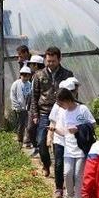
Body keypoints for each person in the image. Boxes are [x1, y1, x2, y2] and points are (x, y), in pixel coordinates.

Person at [50, 88, 94, 198]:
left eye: (61, 103)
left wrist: (78, 128)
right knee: (67, 173)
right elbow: (64, 131)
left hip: (81, 147)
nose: (61, 106)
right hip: (68, 148)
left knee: (78, 175)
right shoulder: (64, 112)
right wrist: (54, 130)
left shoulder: (82, 109)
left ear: (68, 100)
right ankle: (69, 196)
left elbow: (93, 124)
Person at [31, 47, 73, 176]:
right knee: (41, 141)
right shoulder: (39, 75)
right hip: (44, 112)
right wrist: (35, 114)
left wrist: (71, 111)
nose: (50, 63)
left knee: (59, 142)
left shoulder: (67, 74)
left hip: (61, 112)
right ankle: (46, 163)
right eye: (48, 61)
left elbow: (72, 95)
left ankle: (59, 169)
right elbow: (34, 96)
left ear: (59, 59)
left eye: (53, 61)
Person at [25, 54, 45, 153]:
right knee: (31, 128)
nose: (30, 67)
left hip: (38, 106)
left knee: (32, 128)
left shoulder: (41, 76)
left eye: (31, 64)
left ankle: (38, 148)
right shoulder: (34, 76)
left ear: (36, 65)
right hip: (33, 105)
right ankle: (37, 147)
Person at [9, 66, 32, 146]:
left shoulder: (29, 84)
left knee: (28, 125)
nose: (25, 77)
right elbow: (13, 96)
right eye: (23, 75)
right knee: (20, 124)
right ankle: (20, 139)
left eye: (27, 76)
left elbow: (31, 96)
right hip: (19, 108)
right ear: (21, 75)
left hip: (27, 108)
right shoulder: (16, 84)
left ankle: (27, 140)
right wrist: (17, 106)